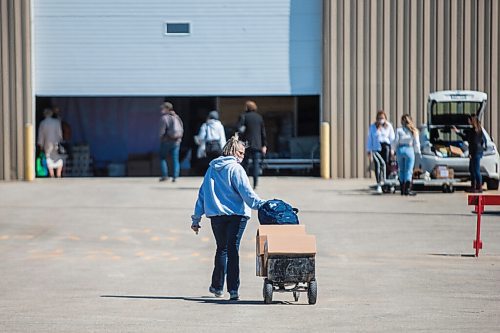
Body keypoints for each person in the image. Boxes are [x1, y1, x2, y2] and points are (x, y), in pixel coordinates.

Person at [190, 134, 266, 301]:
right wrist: (263, 204)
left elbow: (202, 194)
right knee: (233, 250)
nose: (242, 156)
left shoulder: (211, 169)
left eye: (243, 154)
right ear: (232, 151)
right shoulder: (236, 169)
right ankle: (233, 290)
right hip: (237, 215)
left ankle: (217, 287)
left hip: (216, 216)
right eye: (240, 153)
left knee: (221, 249)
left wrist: (196, 219)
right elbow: (247, 193)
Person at [237, 100, 267, 189]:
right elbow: (263, 132)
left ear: (247, 107)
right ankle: (255, 183)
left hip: (246, 144)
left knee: (244, 164)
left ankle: (244, 183)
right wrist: (264, 145)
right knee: (256, 164)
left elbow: (239, 130)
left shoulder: (244, 117)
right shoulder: (259, 117)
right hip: (257, 144)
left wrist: (239, 142)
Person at [453, 115, 486, 193]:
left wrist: (471, 153)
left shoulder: (474, 131)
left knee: (475, 170)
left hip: (475, 152)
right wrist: (458, 132)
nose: (468, 121)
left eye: (469, 120)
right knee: (472, 169)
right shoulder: (479, 130)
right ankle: (474, 186)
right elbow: (469, 139)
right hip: (478, 151)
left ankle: (478, 187)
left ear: (472, 121)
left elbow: (472, 142)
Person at [366, 110, 395, 194]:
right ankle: (379, 184)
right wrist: (369, 150)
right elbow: (370, 139)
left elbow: (392, 138)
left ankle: (387, 184)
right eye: (379, 118)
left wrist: (393, 150)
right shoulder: (373, 127)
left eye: (382, 118)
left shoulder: (388, 126)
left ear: (385, 118)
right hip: (376, 148)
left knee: (386, 165)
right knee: (378, 166)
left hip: (386, 147)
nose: (381, 120)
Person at [392, 114, 421, 196]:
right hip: (409, 149)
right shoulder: (413, 130)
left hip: (400, 149)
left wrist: (393, 150)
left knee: (401, 170)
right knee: (409, 170)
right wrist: (418, 152)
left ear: (402, 121)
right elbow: (416, 143)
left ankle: (402, 189)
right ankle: (407, 190)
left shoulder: (399, 130)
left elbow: (395, 141)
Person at [159, 102, 184, 182]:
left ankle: (165, 175)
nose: (161, 110)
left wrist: (161, 137)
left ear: (167, 109)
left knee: (162, 157)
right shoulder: (177, 117)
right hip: (176, 141)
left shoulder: (164, 118)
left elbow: (162, 131)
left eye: (163, 108)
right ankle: (175, 177)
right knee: (175, 159)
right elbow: (182, 128)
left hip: (166, 140)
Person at [37, 108, 64, 178]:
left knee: (49, 158)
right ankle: (58, 174)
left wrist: (40, 146)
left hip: (47, 144)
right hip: (57, 143)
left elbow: (41, 136)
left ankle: (52, 174)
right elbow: (60, 134)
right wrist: (60, 141)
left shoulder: (43, 123)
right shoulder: (56, 122)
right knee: (59, 159)